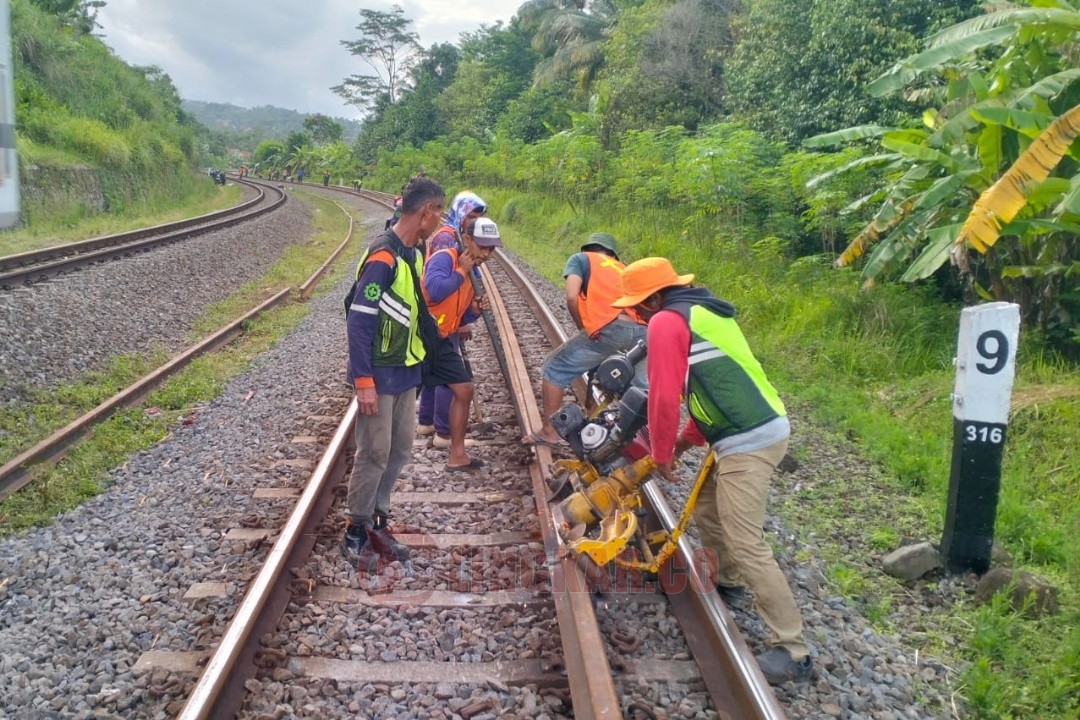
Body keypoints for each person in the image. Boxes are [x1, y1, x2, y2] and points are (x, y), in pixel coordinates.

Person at [609, 257, 812, 685]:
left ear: (653, 300)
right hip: (752, 426)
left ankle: (794, 651)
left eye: (637, 307)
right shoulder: (702, 312)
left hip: (748, 440)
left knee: (745, 539)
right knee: (705, 506)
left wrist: (662, 452)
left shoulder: (666, 322)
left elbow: (664, 396)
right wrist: (683, 444)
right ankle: (731, 582)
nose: (637, 316)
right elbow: (715, 387)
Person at [341, 177, 446, 571]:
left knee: (400, 449)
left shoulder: (413, 254)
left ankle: (377, 521)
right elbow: (359, 320)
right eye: (439, 211)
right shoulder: (383, 257)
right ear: (426, 211)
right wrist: (363, 381)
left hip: (406, 371)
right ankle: (354, 529)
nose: (440, 220)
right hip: (381, 374)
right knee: (374, 452)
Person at [522, 232, 646, 448]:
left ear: (588, 248)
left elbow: (571, 296)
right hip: (643, 332)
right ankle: (642, 444)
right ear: (612, 254)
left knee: (555, 367)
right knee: (640, 389)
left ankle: (549, 431)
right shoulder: (623, 267)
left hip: (611, 327)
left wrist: (585, 327)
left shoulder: (581, 259)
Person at [421, 217, 501, 472]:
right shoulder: (445, 259)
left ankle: (458, 455)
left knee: (464, 388)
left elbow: (458, 316)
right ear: (466, 240)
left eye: (491, 249)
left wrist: (474, 311)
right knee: (400, 393)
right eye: (482, 247)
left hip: (442, 337)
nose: (486, 254)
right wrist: (461, 272)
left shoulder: (472, 272)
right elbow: (434, 291)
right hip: (421, 335)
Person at [416, 191, 488, 441]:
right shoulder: (448, 239)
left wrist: (470, 312)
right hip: (437, 321)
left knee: (434, 374)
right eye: (472, 215)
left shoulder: (458, 237)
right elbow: (438, 287)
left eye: (479, 216)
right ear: (461, 213)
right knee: (450, 378)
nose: (475, 220)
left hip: (444, 320)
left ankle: (427, 422)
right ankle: (444, 432)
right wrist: (462, 273)